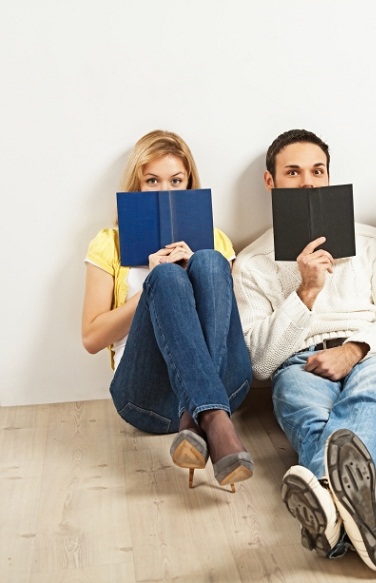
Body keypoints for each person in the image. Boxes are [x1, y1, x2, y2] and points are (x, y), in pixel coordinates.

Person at [232, 129, 376, 572]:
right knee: (307, 412)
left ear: (329, 177)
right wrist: (306, 291)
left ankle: (322, 494)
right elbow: (260, 362)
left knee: (375, 389)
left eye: (317, 171)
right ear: (270, 182)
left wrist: (354, 350)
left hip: (373, 353)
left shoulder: (371, 242)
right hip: (301, 363)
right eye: (293, 173)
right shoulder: (253, 263)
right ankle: (367, 517)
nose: (308, 183)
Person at [81, 130, 254, 492]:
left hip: (224, 380)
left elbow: (228, 325)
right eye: (152, 181)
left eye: (176, 181)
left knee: (208, 261)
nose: (165, 191)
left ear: (189, 182)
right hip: (147, 397)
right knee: (165, 277)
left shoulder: (215, 239)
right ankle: (216, 420)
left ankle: (198, 416)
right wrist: (152, 285)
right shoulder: (109, 242)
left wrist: (195, 270)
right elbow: (92, 339)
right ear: (137, 184)